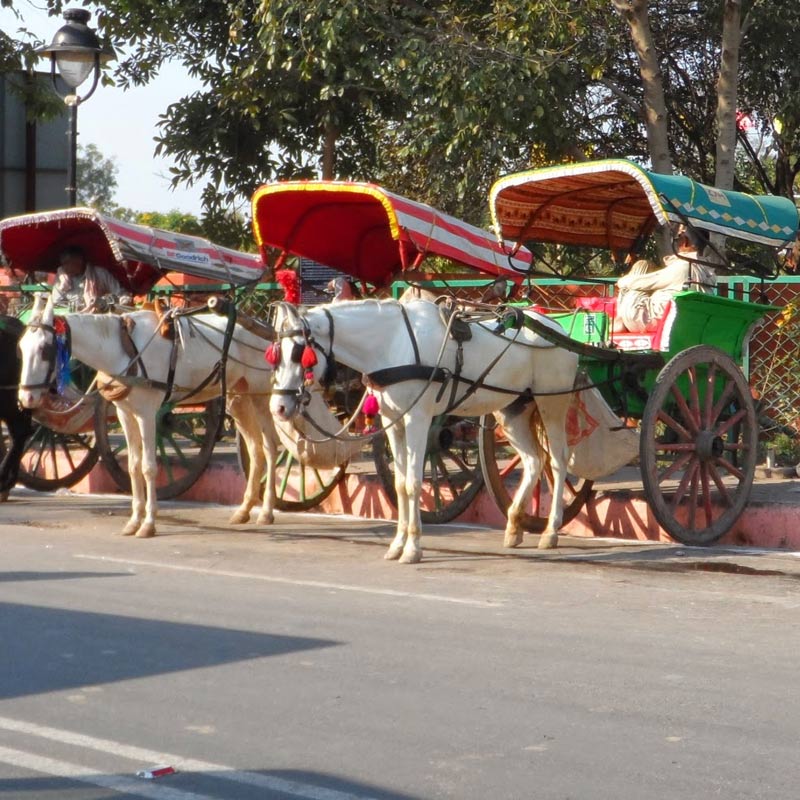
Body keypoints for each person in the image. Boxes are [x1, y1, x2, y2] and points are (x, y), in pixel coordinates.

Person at [614, 227, 716, 333]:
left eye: (679, 237)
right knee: (648, 269)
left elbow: (644, 282)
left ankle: (619, 320)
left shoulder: (683, 267)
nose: (677, 241)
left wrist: (621, 282)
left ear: (685, 242)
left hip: (646, 319)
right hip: (687, 318)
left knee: (643, 265)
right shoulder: (708, 271)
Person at [52, 245, 133, 311]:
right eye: (63, 264)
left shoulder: (100, 273)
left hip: (98, 320)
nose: (64, 267)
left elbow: (122, 295)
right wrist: (75, 306)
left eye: (67, 263)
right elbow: (56, 303)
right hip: (72, 322)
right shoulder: (61, 278)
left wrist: (104, 303)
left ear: (79, 261)